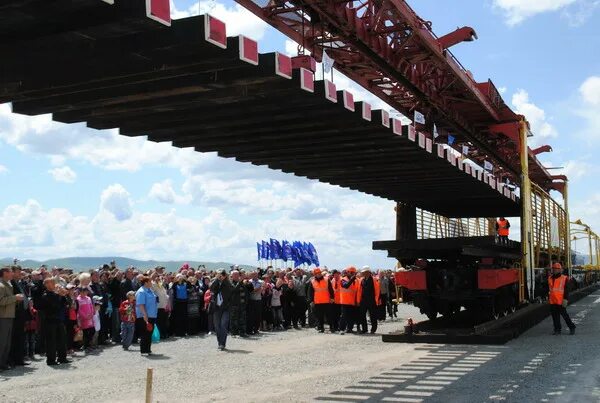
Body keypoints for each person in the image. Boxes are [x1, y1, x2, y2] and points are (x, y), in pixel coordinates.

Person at [37, 278, 70, 366]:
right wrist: (59, 295)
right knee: (51, 341)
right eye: (51, 283)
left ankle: (62, 357)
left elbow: (64, 304)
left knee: (62, 339)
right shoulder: (45, 295)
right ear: (47, 285)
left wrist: (63, 295)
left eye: (53, 282)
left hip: (59, 319)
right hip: (50, 320)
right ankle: (51, 360)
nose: (54, 284)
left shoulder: (56, 294)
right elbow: (53, 306)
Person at [0, 267, 25, 371]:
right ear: (5, 273)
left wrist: (16, 300)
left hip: (9, 316)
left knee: (7, 343)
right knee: (2, 342)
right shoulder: (1, 286)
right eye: (10, 272)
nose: (12, 274)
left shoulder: (7, 284)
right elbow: (1, 301)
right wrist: (15, 298)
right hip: (3, 317)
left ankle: (3, 363)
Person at [548, 263, 576, 335]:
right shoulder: (550, 278)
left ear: (560, 270)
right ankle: (557, 329)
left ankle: (572, 327)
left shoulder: (564, 278)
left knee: (565, 315)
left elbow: (567, 290)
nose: (555, 270)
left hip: (561, 301)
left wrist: (565, 299)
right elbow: (549, 289)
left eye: (556, 269)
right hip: (553, 301)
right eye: (554, 268)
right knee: (555, 316)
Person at [210, 270, 233, 351]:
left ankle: (222, 344)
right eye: (219, 274)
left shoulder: (228, 282)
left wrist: (224, 280)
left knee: (223, 325)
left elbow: (231, 289)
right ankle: (219, 343)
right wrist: (217, 279)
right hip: (216, 307)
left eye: (222, 274)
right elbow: (211, 288)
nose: (220, 276)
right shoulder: (214, 281)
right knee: (217, 326)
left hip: (225, 307)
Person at [135, 276, 158, 355]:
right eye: (150, 281)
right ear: (145, 283)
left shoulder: (150, 290)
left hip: (152, 315)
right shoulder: (141, 291)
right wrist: (145, 315)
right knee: (144, 333)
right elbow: (141, 304)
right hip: (144, 316)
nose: (151, 283)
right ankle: (143, 350)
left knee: (149, 333)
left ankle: (148, 349)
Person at [308, 268, 335, 333]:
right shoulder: (312, 281)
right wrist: (311, 301)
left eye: (319, 273)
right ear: (314, 274)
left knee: (329, 316)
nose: (318, 274)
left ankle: (332, 328)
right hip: (317, 302)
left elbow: (331, 289)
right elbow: (310, 292)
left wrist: (332, 298)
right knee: (319, 317)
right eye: (317, 273)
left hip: (327, 301)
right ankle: (321, 328)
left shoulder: (326, 279)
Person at [357, 266, 380, 334]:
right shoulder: (361, 280)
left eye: (364, 272)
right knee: (362, 315)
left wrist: (376, 300)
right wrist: (358, 301)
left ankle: (373, 329)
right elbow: (359, 291)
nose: (363, 273)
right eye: (363, 272)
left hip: (372, 300)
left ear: (368, 272)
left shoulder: (374, 279)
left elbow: (377, 290)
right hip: (363, 300)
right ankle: (364, 329)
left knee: (373, 315)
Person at [229, 270, 250, 337]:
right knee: (234, 319)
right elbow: (235, 290)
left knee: (242, 319)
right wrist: (240, 282)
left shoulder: (242, 283)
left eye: (238, 275)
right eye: (235, 275)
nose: (237, 276)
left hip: (242, 304)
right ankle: (234, 333)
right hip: (234, 304)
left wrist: (246, 302)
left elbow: (247, 292)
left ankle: (242, 332)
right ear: (232, 276)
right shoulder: (230, 283)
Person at [339, 267, 359, 335]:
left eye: (353, 273)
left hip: (352, 302)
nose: (352, 274)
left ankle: (350, 328)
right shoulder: (343, 279)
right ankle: (341, 329)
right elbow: (346, 286)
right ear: (347, 272)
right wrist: (352, 279)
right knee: (344, 316)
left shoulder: (356, 281)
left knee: (351, 316)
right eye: (351, 272)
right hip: (345, 301)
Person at [76, 287, 95, 351]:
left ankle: (88, 344)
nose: (85, 293)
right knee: (85, 332)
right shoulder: (78, 299)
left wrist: (92, 314)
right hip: (83, 319)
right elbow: (79, 310)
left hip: (90, 318)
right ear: (80, 292)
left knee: (92, 330)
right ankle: (85, 345)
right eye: (84, 292)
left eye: (86, 292)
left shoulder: (88, 298)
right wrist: (85, 316)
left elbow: (91, 306)